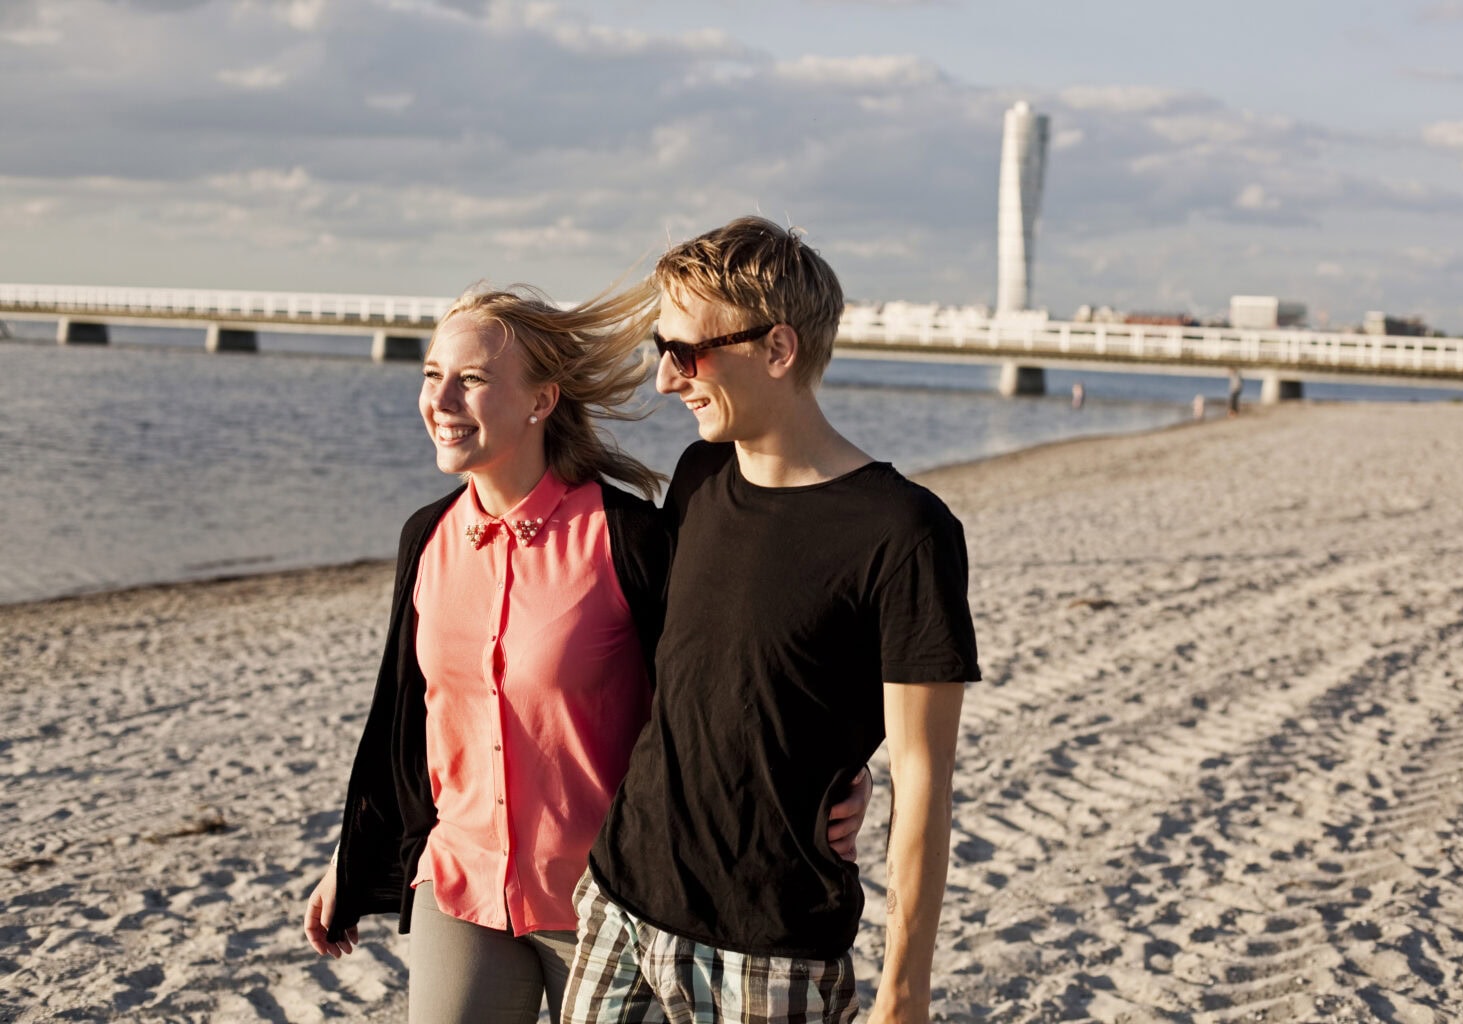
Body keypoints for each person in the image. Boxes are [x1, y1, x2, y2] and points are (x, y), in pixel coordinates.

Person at [302, 284, 871, 1024]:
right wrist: (351, 859)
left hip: (613, 900)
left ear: (542, 401)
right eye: (430, 375)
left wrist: (836, 772)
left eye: (471, 380)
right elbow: (405, 721)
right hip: (461, 883)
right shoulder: (427, 537)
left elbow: (728, 679)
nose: (440, 400)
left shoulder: (629, 538)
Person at [564, 217, 980, 1024]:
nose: (664, 378)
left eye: (685, 353)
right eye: (662, 348)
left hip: (768, 950)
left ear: (778, 350)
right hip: (619, 901)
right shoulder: (698, 473)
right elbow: (704, 677)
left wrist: (905, 991)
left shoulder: (905, 532)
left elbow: (924, 782)